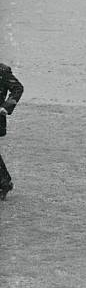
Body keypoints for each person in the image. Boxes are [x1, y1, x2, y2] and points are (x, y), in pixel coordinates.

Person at [0, 63, 24, 201]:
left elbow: (18, 88)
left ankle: (4, 183)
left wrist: (6, 106)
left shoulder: (2, 72)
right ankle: (4, 182)